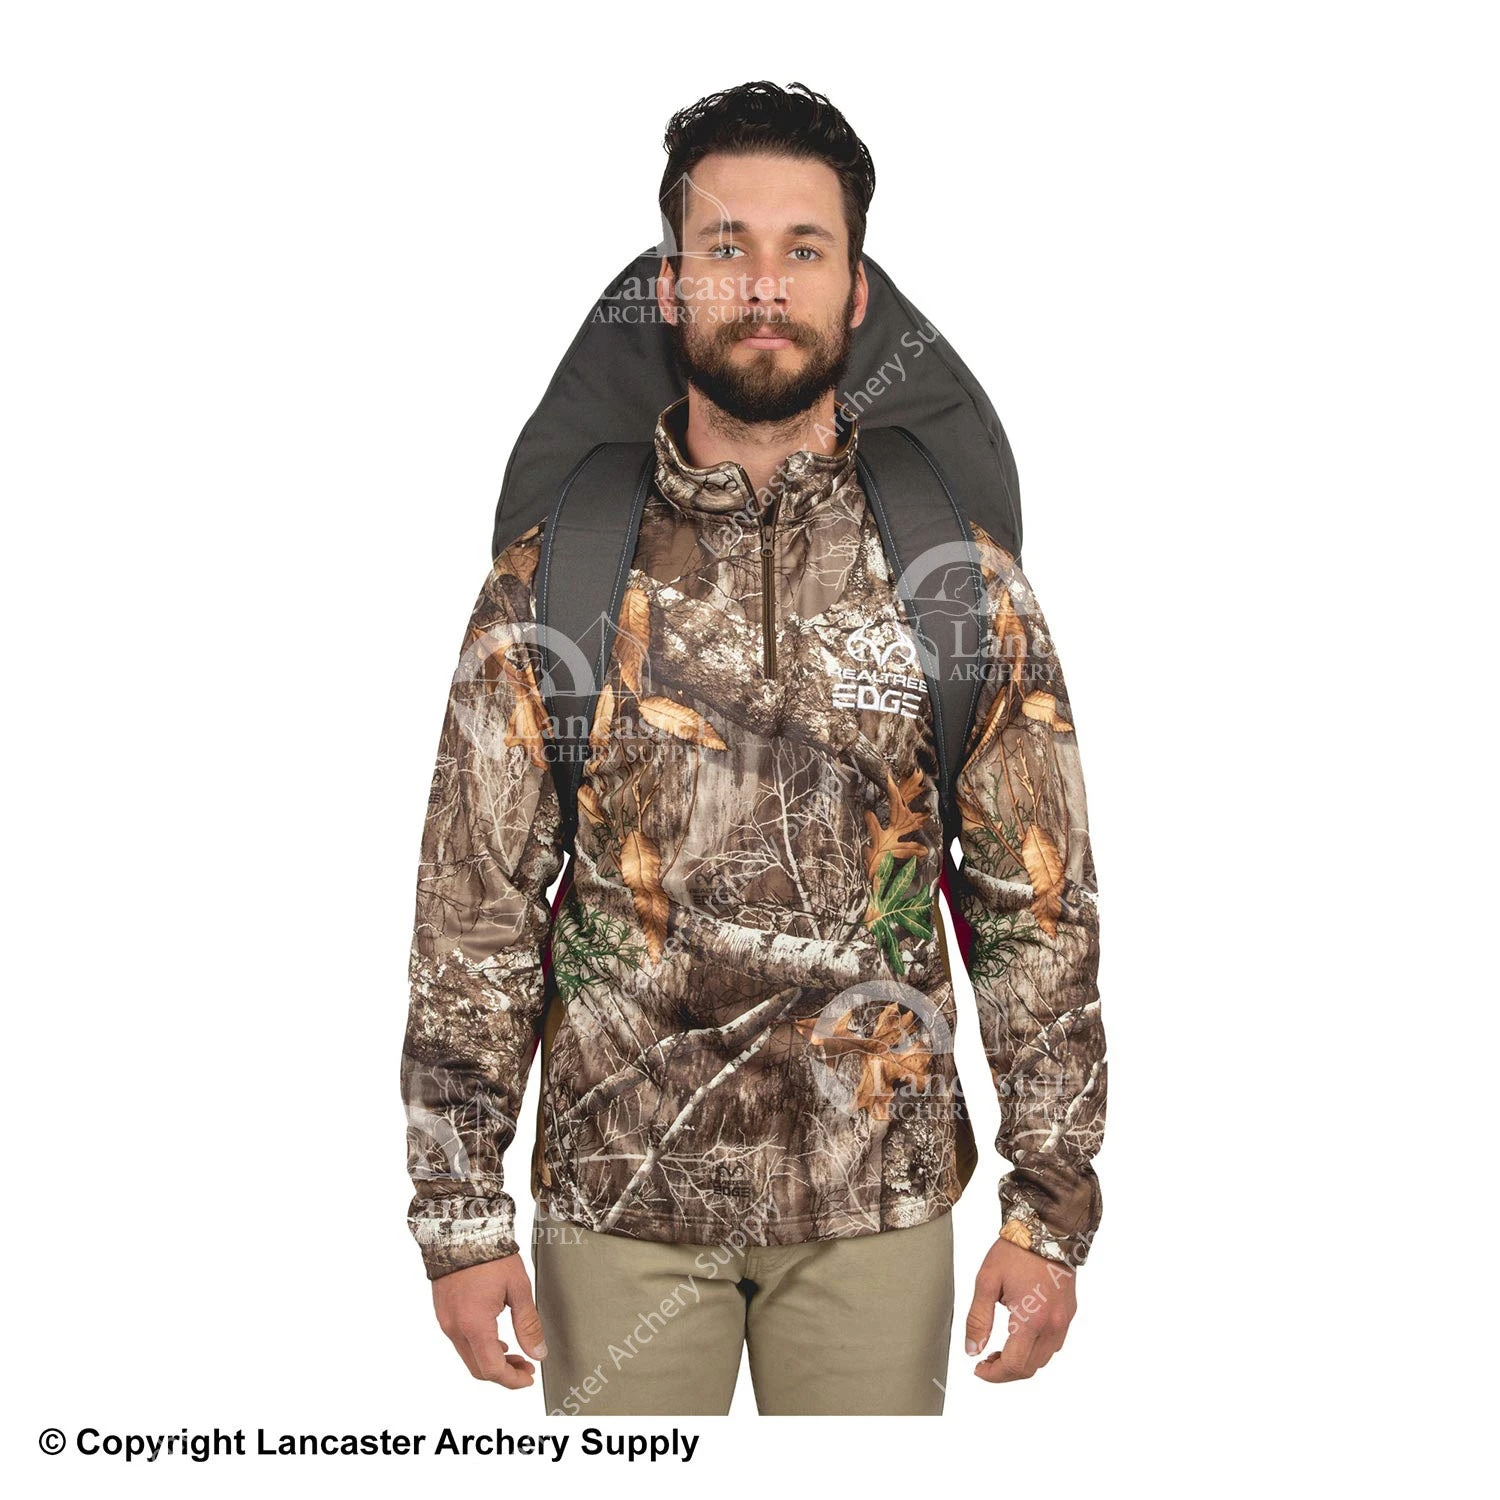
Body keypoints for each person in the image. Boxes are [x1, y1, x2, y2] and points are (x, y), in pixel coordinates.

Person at [401, 80, 1106, 1416]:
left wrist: (1050, 1209)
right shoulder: (555, 582)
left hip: (879, 1205)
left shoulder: (959, 581)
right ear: (670, 286)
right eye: (727, 247)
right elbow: (474, 915)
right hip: (615, 1202)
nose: (765, 284)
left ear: (856, 292)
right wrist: (460, 1217)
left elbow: (1039, 904)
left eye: (804, 249)